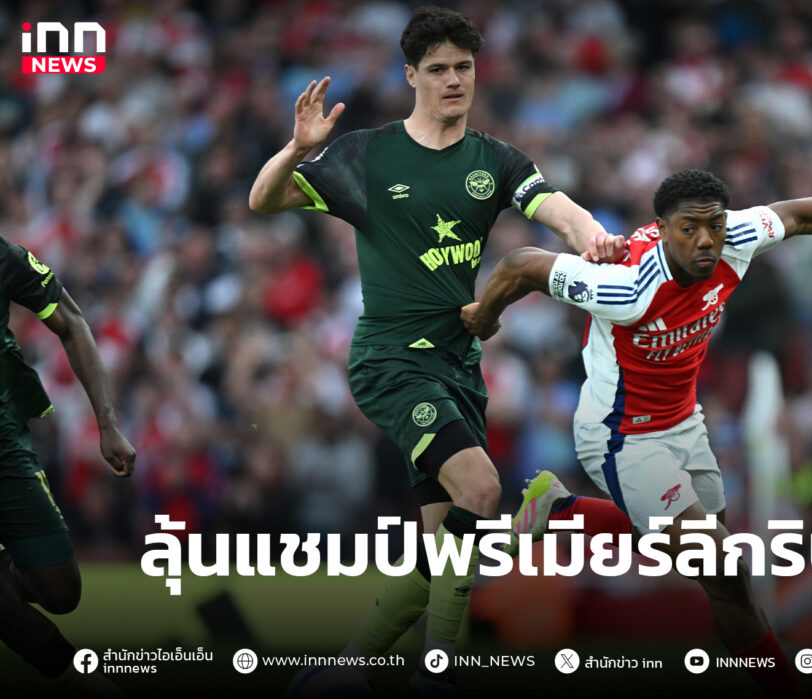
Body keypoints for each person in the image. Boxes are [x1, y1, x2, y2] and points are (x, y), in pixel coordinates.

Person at [463, 169, 812, 696]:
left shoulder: (734, 239)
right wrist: (484, 317)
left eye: (715, 226)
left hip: (684, 422)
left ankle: (562, 511)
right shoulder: (623, 284)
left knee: (710, 567)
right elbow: (520, 265)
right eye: (689, 229)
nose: (706, 240)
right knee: (724, 566)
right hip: (621, 437)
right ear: (662, 229)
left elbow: (799, 214)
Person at [248, 5, 622, 691]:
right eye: (439, 69)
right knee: (481, 487)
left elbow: (559, 209)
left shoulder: (496, 160)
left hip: (459, 367)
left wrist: (594, 237)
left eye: (464, 67)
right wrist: (297, 149)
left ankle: (348, 670)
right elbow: (263, 201)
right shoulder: (367, 154)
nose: (454, 80)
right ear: (411, 76)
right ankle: (439, 671)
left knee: (445, 552)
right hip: (392, 360)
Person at [0, 235, 136, 696]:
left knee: (61, 591)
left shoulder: (3, 256)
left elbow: (73, 321)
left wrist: (107, 423)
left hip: (3, 445)